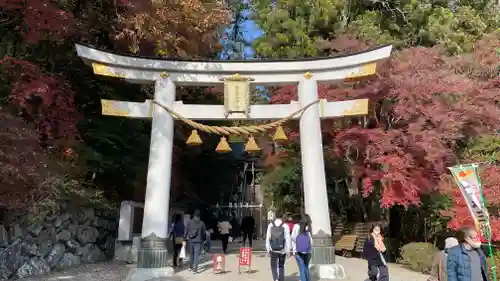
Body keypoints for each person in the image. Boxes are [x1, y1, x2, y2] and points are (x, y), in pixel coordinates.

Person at [265, 210, 292, 281]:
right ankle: (281, 279)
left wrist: (268, 249)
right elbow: (288, 238)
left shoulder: (270, 225)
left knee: (273, 265)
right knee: (281, 266)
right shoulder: (285, 225)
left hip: (273, 249)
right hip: (282, 249)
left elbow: (268, 237)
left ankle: (275, 278)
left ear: (275, 216)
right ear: (282, 216)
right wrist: (288, 250)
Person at [291, 213, 313, 281]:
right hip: (308, 251)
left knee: (302, 268)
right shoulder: (309, 228)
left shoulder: (296, 226)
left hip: (298, 251)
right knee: (306, 267)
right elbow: (311, 241)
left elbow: (293, 238)